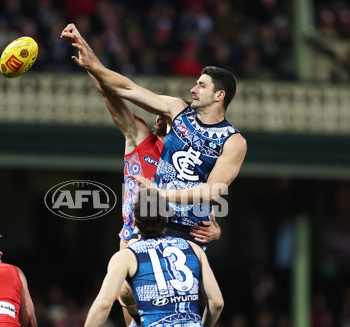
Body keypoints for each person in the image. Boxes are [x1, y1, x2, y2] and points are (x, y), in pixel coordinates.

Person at [66, 25, 222, 327]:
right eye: (159, 118)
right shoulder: (140, 140)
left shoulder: (190, 161)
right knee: (124, 288)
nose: (161, 121)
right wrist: (92, 63)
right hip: (135, 229)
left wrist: (216, 225)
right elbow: (114, 95)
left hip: (173, 234)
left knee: (172, 308)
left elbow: (209, 200)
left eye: (166, 118)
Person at [61, 23, 247, 245]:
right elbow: (123, 89)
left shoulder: (233, 141)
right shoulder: (170, 116)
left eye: (201, 86)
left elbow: (211, 192)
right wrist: (92, 64)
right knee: (127, 274)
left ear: (219, 96)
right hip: (145, 227)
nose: (193, 89)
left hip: (189, 233)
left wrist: (213, 225)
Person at [73, 189, 224, 327]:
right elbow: (217, 302)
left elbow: (104, 303)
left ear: (134, 218)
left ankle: (137, 323)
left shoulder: (126, 256)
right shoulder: (193, 248)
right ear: (168, 217)